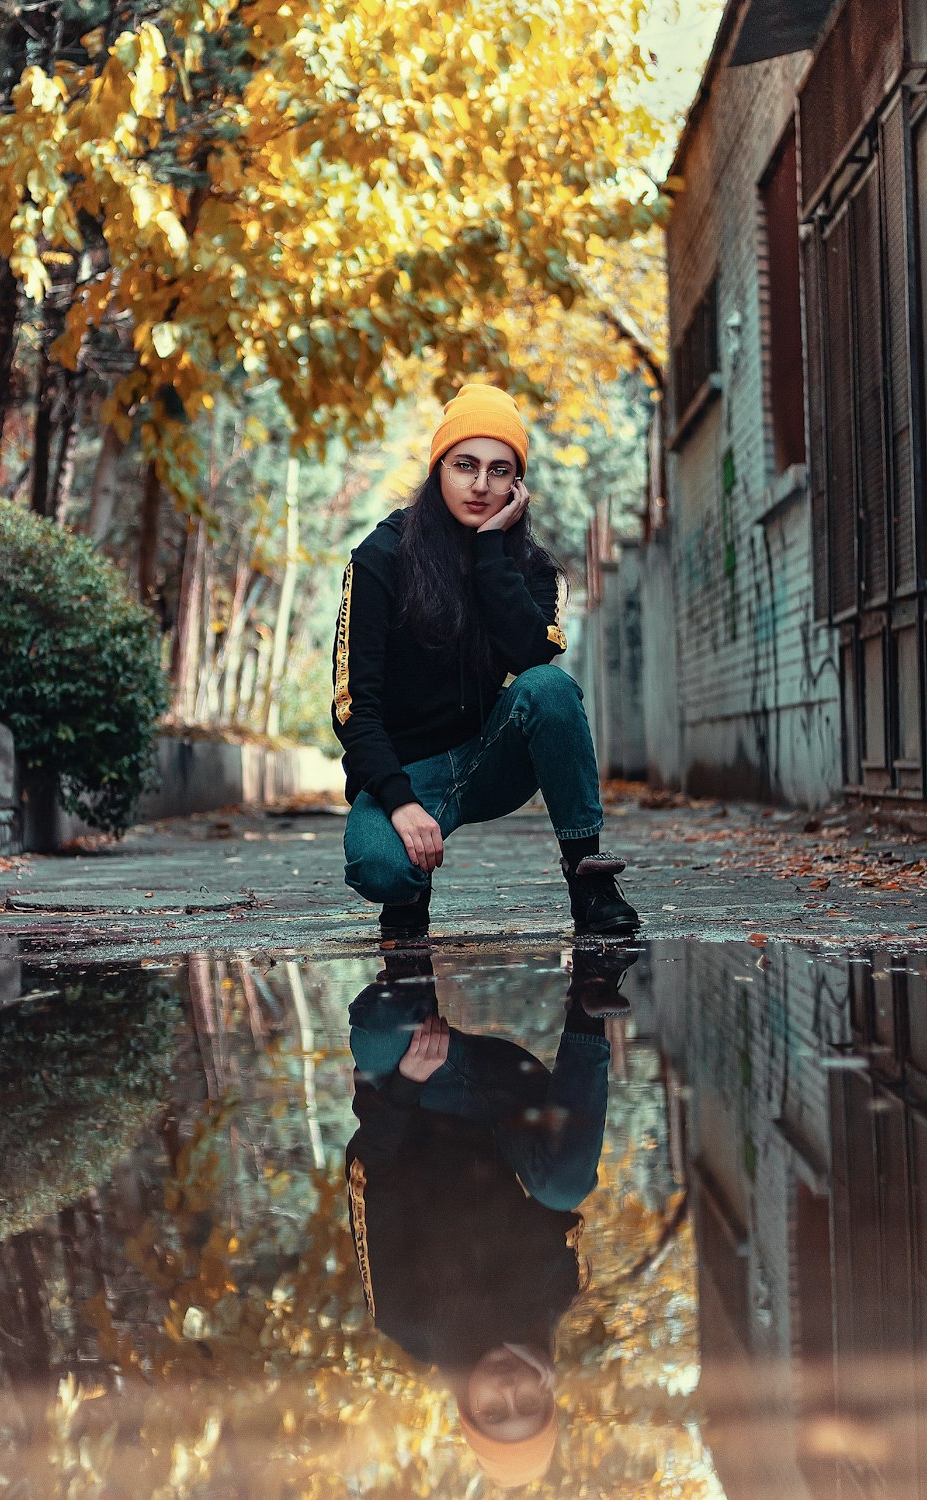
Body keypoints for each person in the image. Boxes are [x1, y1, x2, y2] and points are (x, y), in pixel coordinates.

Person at [331, 381, 639, 940]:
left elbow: (533, 659)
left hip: (488, 756)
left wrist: (491, 549)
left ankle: (588, 883)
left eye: (500, 471)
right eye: (465, 465)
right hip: (408, 772)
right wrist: (399, 802)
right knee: (380, 867)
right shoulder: (381, 557)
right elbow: (354, 704)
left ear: (517, 484)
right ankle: (407, 893)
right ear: (438, 468)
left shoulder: (533, 570)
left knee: (550, 687)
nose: (480, 485)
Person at [344, 946, 635, 1488]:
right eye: (527, 1403)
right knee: (565, 1186)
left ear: (467, 1408)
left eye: (494, 1412)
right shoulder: (554, 1294)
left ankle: (406, 946)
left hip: (414, 1094)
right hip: (502, 1098)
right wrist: (530, 1318)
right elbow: (553, 1201)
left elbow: (365, 1171)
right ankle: (594, 985)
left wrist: (408, 1080)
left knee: (381, 1028)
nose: (508, 1391)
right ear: (547, 1388)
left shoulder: (404, 1317)